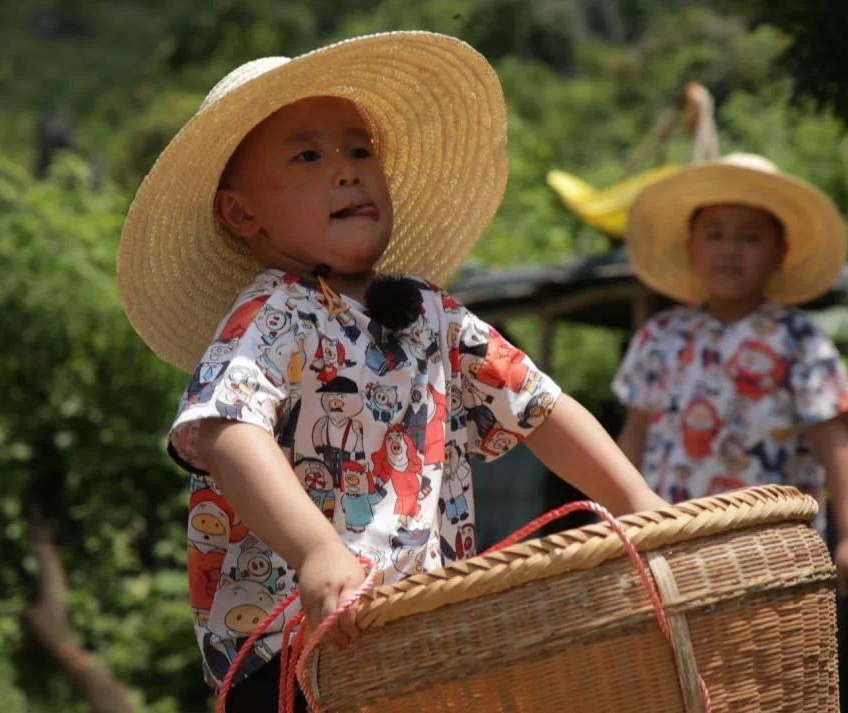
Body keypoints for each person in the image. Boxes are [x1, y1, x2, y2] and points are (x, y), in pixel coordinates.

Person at [117, 32, 667, 712]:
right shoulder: (271, 314)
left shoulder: (430, 312)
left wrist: (641, 507)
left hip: (418, 628)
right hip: (292, 642)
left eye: (358, 150)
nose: (346, 170)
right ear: (241, 212)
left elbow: (538, 407)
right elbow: (230, 432)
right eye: (308, 156)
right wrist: (318, 552)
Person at [611, 153, 848, 614]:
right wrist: (613, 523)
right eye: (714, 235)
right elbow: (633, 436)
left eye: (750, 237)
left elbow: (837, 444)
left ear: (780, 253)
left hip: (773, 553)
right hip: (668, 548)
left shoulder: (799, 341)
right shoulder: (660, 337)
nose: (730, 250)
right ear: (691, 247)